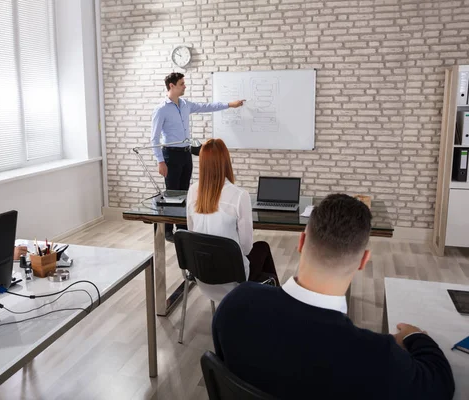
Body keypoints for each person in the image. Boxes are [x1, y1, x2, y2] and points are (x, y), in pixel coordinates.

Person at [212, 194, 455, 400]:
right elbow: (440, 385)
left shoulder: (235, 303)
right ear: (363, 261)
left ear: (302, 241)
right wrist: (414, 336)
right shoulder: (378, 357)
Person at [151, 72, 245, 242]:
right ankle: (167, 230)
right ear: (171, 86)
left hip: (186, 152)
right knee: (172, 192)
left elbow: (207, 107)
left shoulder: (186, 104)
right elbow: (154, 138)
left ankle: (182, 228)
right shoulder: (161, 109)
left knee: (185, 191)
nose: (184, 86)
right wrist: (160, 161)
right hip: (170, 154)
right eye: (181, 83)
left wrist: (230, 105)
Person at [186, 139, 279, 304]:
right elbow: (246, 247)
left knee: (260, 253)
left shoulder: (192, 191)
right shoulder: (239, 195)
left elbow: (191, 233)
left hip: (201, 276)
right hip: (231, 280)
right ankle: (270, 303)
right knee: (262, 248)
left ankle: (260, 301)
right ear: (226, 162)